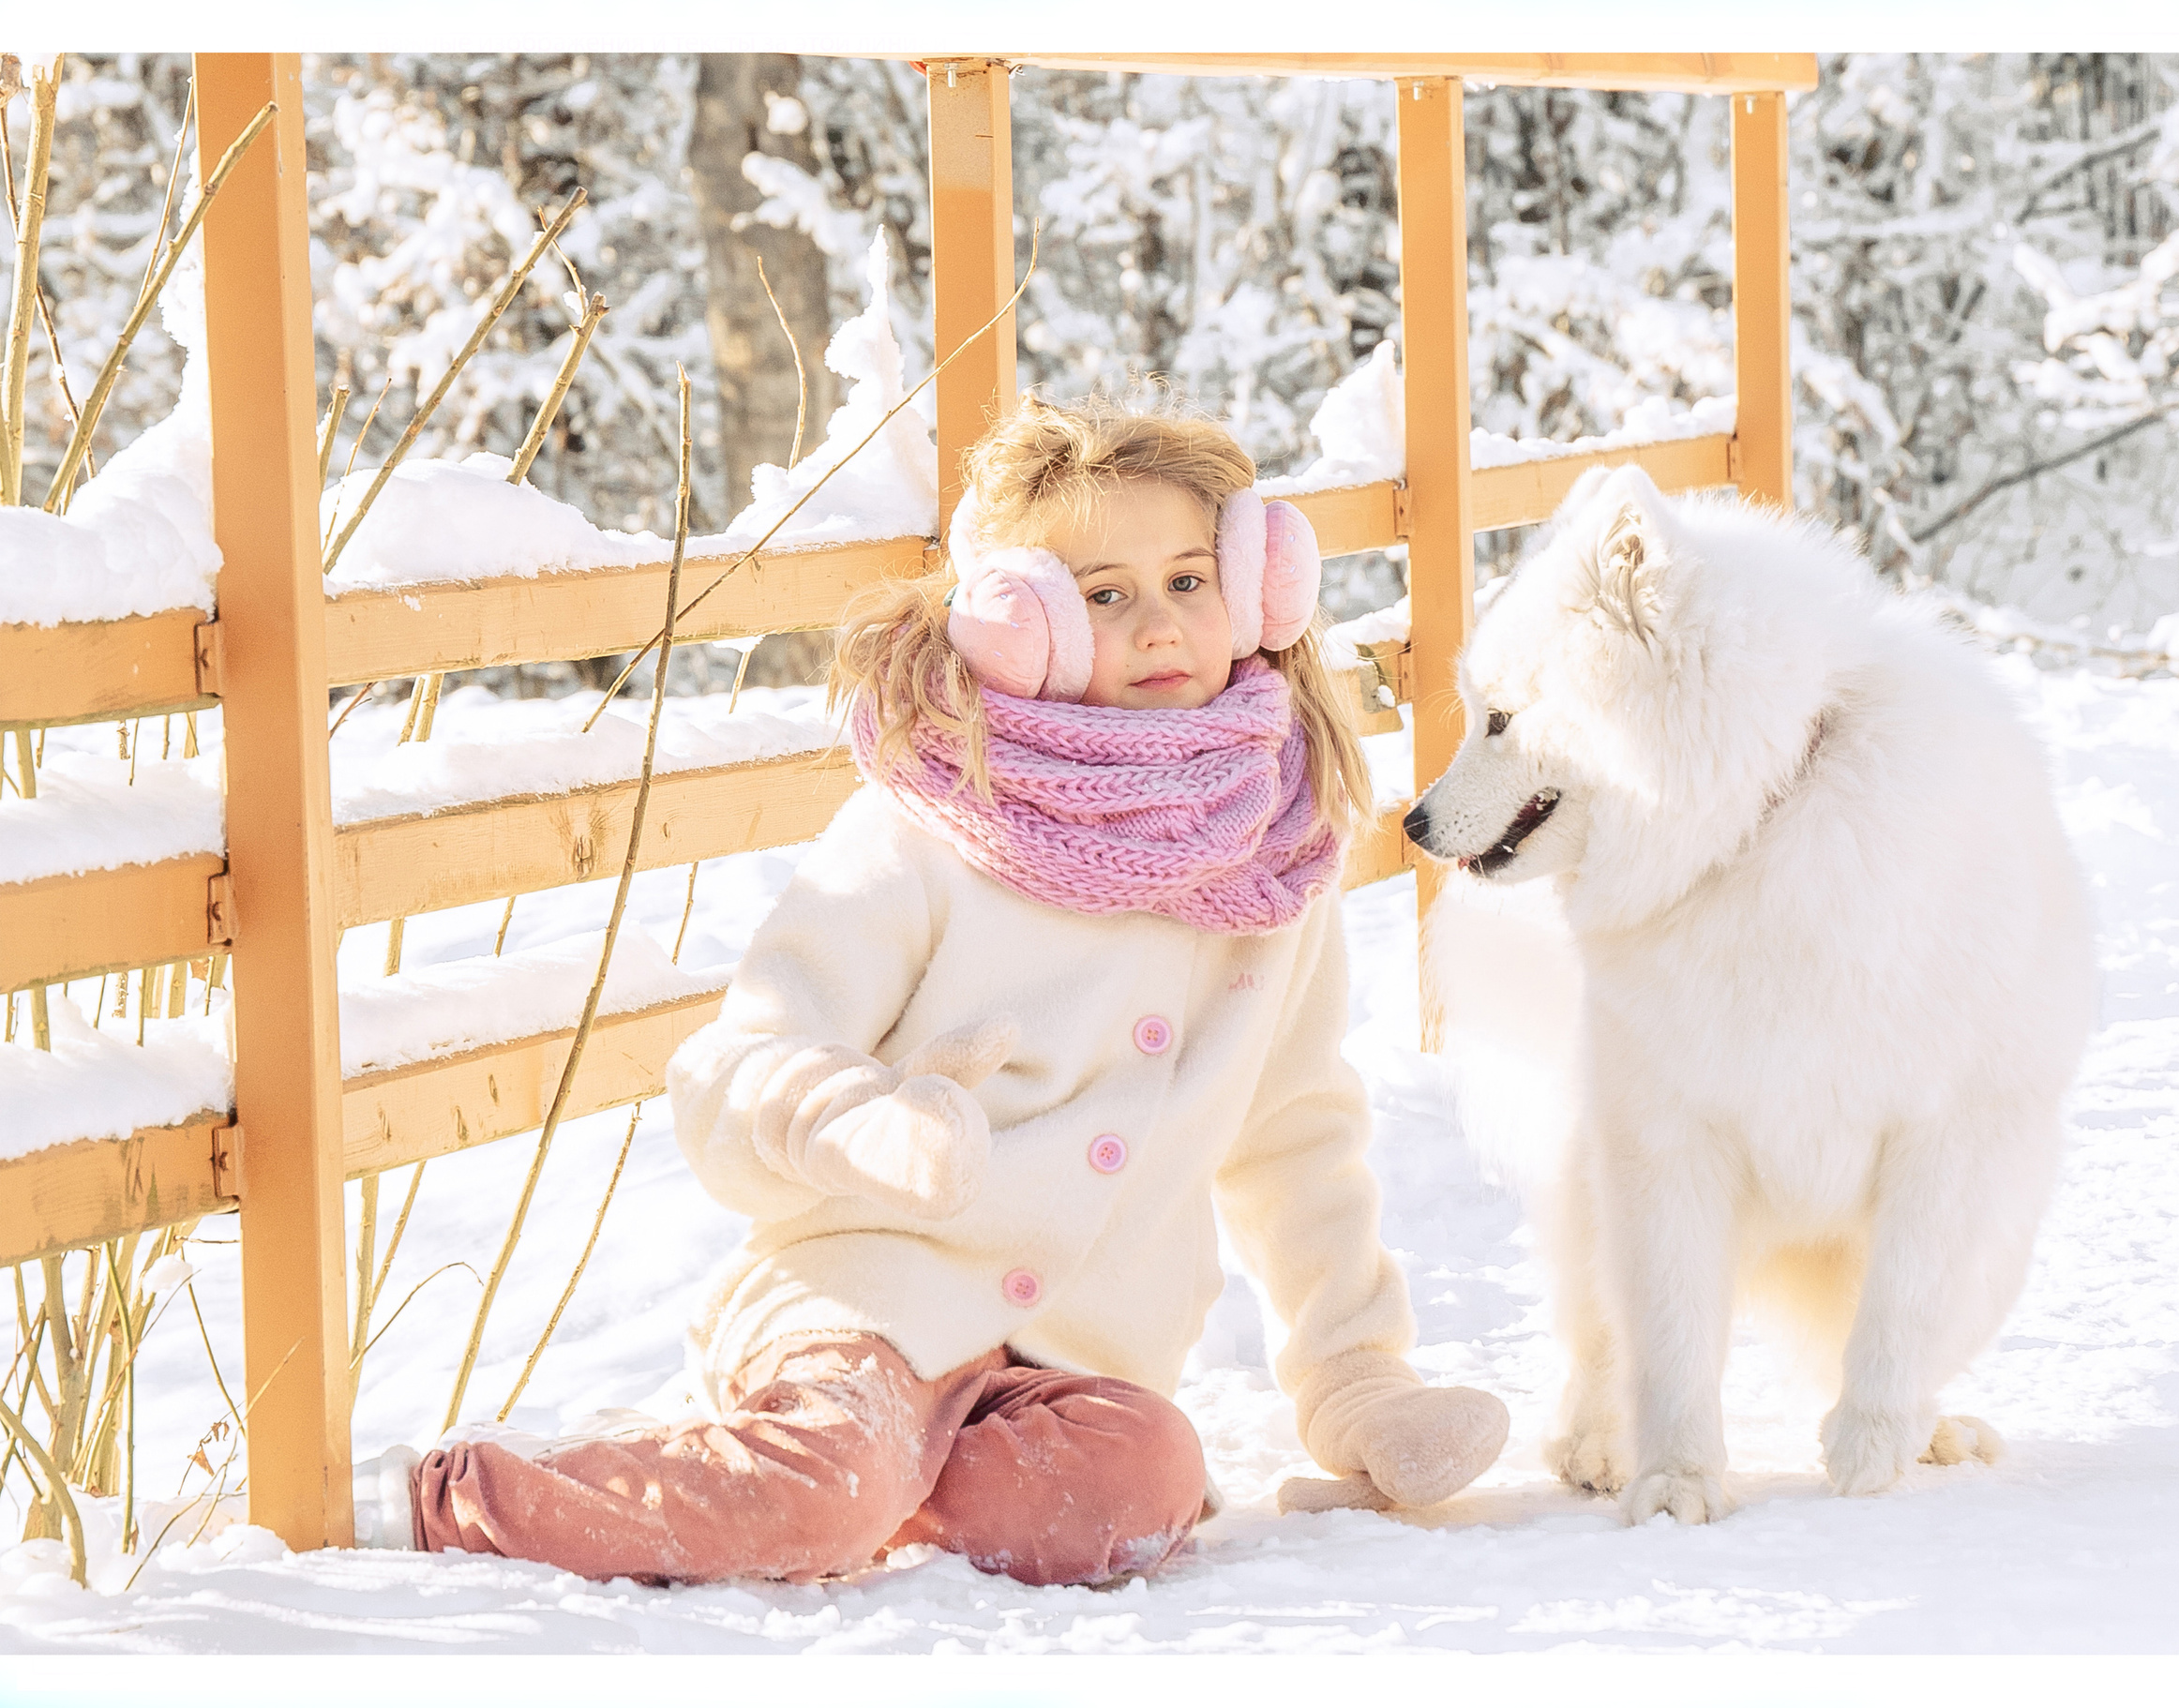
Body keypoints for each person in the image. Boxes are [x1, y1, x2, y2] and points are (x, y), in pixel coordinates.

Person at [365, 397, 1510, 1587]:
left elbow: (1297, 1139)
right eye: (1104, 594)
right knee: (821, 1492)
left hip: (1074, 1368)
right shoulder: (930, 823)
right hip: (866, 1301)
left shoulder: (1273, 858)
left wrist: (1356, 1379)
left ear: (1257, 587)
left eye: (1188, 578)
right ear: (1026, 621)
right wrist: (855, 1124)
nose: (1159, 624)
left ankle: (810, 1485)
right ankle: (456, 1498)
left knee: (1139, 1485)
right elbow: (730, 1071)